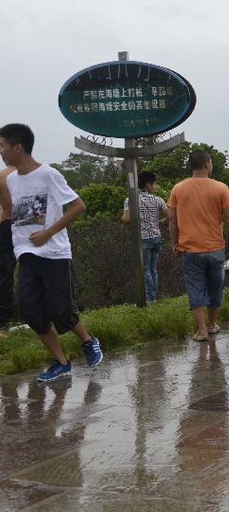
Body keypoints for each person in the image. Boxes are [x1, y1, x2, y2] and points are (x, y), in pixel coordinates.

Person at [0, 123, 102, 382]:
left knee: (59, 309)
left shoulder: (49, 175)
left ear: (18, 147)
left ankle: (88, 340)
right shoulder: (11, 180)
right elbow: (18, 212)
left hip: (54, 253)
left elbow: (79, 207)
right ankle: (61, 362)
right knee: (30, 310)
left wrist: (48, 232)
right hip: (26, 252)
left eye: (3, 146)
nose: (1, 152)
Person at [168, 151, 229, 340]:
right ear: (207, 164)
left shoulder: (178, 189)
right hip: (214, 248)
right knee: (215, 288)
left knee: (195, 288)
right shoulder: (221, 188)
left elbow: (172, 220)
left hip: (190, 249)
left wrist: (175, 243)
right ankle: (211, 324)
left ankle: (201, 331)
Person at [122, 171, 167, 303]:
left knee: (145, 269)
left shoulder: (130, 199)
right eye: (154, 184)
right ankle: (154, 296)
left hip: (142, 238)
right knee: (153, 268)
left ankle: (150, 298)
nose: (155, 187)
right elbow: (170, 216)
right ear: (148, 185)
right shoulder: (158, 200)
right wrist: (161, 221)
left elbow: (126, 218)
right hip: (156, 237)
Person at [0, 162, 16, 324]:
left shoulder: (2, 176)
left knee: (5, 274)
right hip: (32, 223)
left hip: (7, 223)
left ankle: (4, 320)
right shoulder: (35, 174)